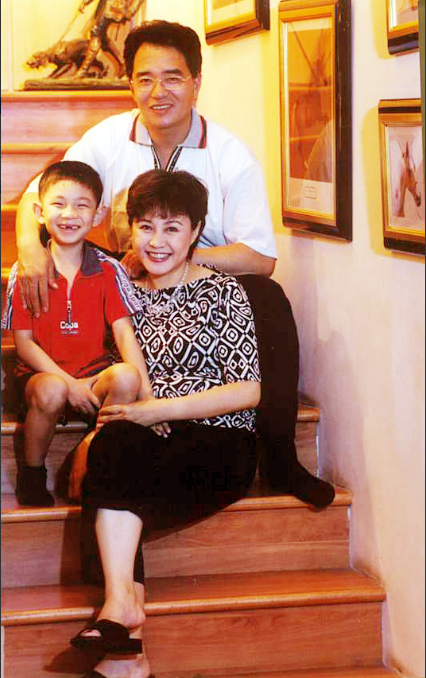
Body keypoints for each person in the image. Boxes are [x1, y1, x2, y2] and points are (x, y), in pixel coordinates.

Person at [14, 20, 334, 508]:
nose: (158, 92)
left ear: (196, 83)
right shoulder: (108, 137)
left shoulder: (230, 154)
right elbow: (41, 193)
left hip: (196, 284)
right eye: (145, 78)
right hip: (124, 281)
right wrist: (29, 247)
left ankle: (280, 455)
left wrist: (171, 257)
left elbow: (260, 257)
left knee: (268, 297)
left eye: (172, 78)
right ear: (130, 84)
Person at [70, 169, 261, 678]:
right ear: (130, 229)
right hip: (137, 438)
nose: (157, 241)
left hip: (218, 442)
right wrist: (102, 428)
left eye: (172, 228)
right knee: (113, 452)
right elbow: (102, 380)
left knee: (110, 472)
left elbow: (248, 390)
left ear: (196, 231)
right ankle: (123, 619)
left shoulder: (222, 291)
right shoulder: (119, 294)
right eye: (146, 227)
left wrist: (156, 410)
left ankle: (125, 639)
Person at [2, 161, 153, 507]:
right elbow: (23, 344)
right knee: (52, 389)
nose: (69, 214)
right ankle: (32, 472)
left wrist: (147, 396)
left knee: (126, 376)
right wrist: (69, 383)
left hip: (94, 381)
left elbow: (124, 335)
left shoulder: (108, 269)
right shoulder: (27, 272)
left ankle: (93, 454)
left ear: (97, 214)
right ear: (39, 212)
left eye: (82, 205)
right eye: (59, 204)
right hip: (44, 380)